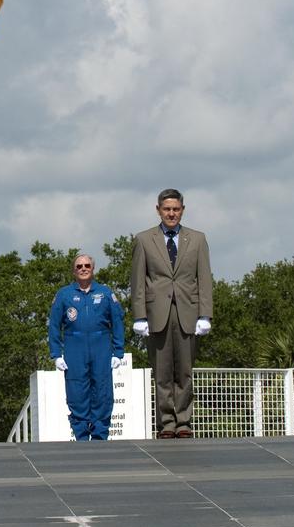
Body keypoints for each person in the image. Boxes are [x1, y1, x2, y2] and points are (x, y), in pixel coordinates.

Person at [130, 187, 213, 439]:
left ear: (182, 210)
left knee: (185, 370)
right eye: (167, 209)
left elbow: (204, 278)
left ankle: (184, 421)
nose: (171, 213)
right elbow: (138, 280)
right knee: (162, 371)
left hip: (188, 311)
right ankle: (166, 422)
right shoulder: (144, 240)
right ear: (158, 210)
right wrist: (139, 315)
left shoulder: (197, 239)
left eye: (176, 209)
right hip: (157, 313)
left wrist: (205, 314)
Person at [48, 253, 125, 441]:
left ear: (93, 268)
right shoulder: (64, 294)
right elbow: (54, 325)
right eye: (79, 266)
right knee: (77, 391)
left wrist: (118, 351)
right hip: (75, 347)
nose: (83, 269)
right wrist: (56, 354)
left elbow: (118, 321)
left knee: (102, 390)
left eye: (87, 266)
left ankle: (100, 435)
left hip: (101, 347)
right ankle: (81, 435)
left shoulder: (106, 293)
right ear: (74, 271)